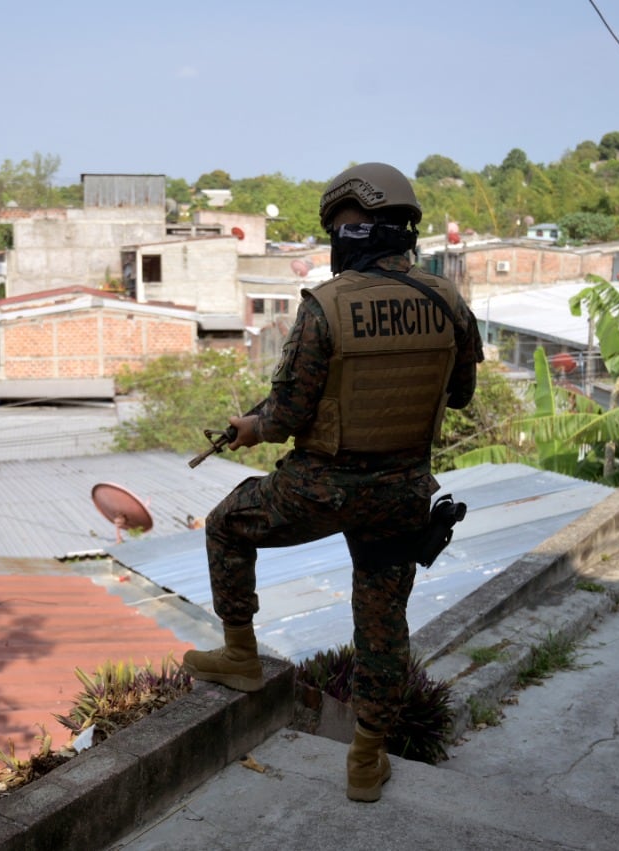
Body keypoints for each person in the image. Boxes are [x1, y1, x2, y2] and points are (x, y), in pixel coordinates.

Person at [182, 162, 482, 802]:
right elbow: (459, 397)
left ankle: (239, 655)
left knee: (227, 525)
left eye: (341, 226)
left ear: (358, 229)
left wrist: (251, 426)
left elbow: (288, 416)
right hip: (404, 491)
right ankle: (366, 762)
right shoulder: (449, 302)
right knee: (381, 624)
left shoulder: (326, 306)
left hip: (321, 487)